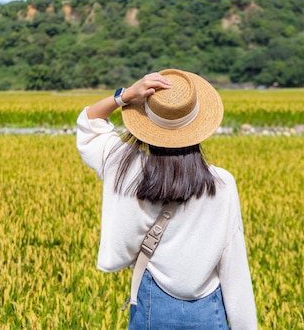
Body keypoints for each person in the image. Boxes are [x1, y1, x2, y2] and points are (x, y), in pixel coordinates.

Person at [77, 69, 258, 329]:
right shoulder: (221, 184)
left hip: (152, 306)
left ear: (147, 123)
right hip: (207, 310)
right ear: (198, 126)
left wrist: (125, 95)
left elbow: (89, 123)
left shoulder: (124, 167)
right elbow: (233, 261)